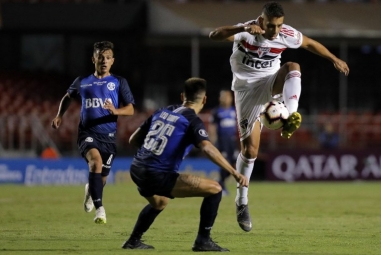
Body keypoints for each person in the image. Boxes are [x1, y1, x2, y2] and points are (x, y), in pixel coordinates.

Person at [209, 1, 350, 232]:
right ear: (261, 20)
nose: (275, 31)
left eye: (279, 26)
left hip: (271, 81)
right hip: (246, 92)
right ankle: (241, 201)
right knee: (250, 151)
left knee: (293, 65)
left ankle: (291, 115)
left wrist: (333, 58)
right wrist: (242, 29)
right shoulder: (247, 31)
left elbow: (310, 43)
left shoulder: (285, 34)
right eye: (272, 26)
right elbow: (214, 35)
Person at [122, 78, 248, 252]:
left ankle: (133, 241)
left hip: (136, 168)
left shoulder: (163, 111)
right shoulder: (192, 120)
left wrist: (151, 155)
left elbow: (133, 139)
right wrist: (234, 172)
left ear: (182, 96)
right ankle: (203, 241)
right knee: (215, 189)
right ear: (204, 100)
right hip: (156, 174)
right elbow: (207, 147)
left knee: (159, 202)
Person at [51, 41, 135, 224]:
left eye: (107, 58)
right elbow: (68, 97)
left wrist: (116, 111)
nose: (104, 61)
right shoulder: (82, 82)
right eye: (100, 57)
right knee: (95, 163)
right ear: (93, 59)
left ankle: (91, 190)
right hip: (87, 133)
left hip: (109, 137)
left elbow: (130, 109)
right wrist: (59, 116)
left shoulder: (119, 82)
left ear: (113, 60)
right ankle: (100, 210)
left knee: (101, 179)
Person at [208, 90, 238, 195]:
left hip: (232, 142)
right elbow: (212, 127)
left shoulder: (234, 110)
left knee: (235, 164)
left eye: (227, 97)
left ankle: (220, 181)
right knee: (225, 163)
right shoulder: (216, 111)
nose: (225, 99)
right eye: (223, 97)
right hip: (222, 142)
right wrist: (212, 142)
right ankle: (222, 186)